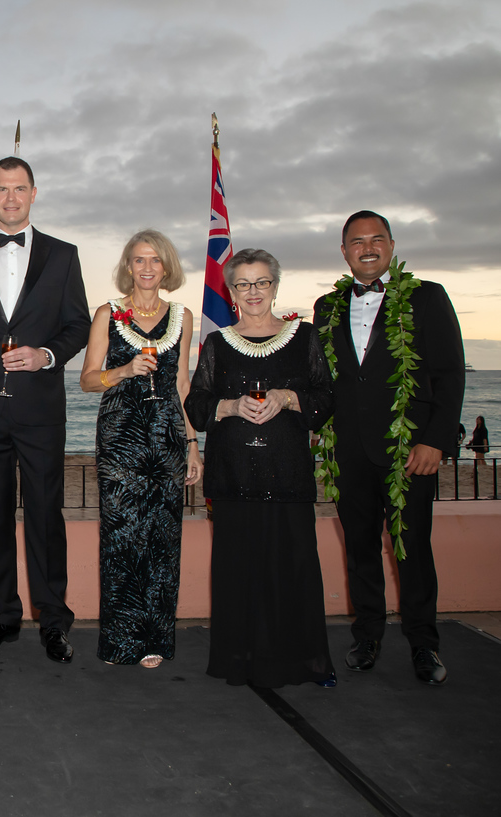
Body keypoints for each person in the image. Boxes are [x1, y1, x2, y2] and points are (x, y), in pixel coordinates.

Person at [313, 210, 465, 685]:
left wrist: (435, 441)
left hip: (407, 450)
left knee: (413, 550)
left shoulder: (426, 297)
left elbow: (449, 373)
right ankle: (368, 637)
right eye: (357, 242)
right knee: (359, 550)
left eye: (377, 239)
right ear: (344, 252)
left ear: (392, 245)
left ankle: (424, 645)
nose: (368, 248)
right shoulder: (327, 306)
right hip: (348, 452)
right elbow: (323, 379)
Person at [0, 157, 91, 664]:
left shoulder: (63, 255)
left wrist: (45, 355)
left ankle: (54, 622)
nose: (11, 198)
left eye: (20, 189)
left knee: (45, 517)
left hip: (40, 409)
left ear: (34, 193)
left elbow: (78, 324)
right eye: (2, 189)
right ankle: (3, 618)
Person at [185, 248, 336, 687]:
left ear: (275, 286)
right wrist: (230, 406)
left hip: (288, 473)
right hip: (234, 475)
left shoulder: (303, 338)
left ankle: (307, 663)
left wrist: (288, 398)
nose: (253, 292)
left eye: (262, 282)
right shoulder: (217, 344)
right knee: (239, 573)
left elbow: (326, 401)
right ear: (231, 291)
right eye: (243, 284)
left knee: (295, 569)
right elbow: (196, 407)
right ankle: (240, 660)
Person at [79, 229, 201, 668]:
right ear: (127, 267)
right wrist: (126, 369)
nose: (147, 268)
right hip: (120, 440)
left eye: (155, 260)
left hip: (167, 437)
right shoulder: (107, 315)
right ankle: (119, 642)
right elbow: (88, 378)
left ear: (166, 266)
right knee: (121, 540)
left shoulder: (183, 316)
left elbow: (183, 385)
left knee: (163, 541)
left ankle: (154, 641)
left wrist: (192, 444)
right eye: (138, 260)